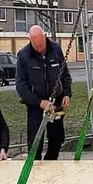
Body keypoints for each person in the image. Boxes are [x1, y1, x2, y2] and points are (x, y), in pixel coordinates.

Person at [15, 25, 72, 161]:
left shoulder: (55, 50)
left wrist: (66, 94)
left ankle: (50, 166)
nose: (39, 49)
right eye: (35, 46)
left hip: (56, 101)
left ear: (45, 37)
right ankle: (35, 171)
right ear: (30, 41)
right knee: (35, 142)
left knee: (56, 139)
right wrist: (39, 102)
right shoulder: (24, 55)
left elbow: (65, 74)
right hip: (36, 105)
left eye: (41, 45)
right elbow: (21, 85)